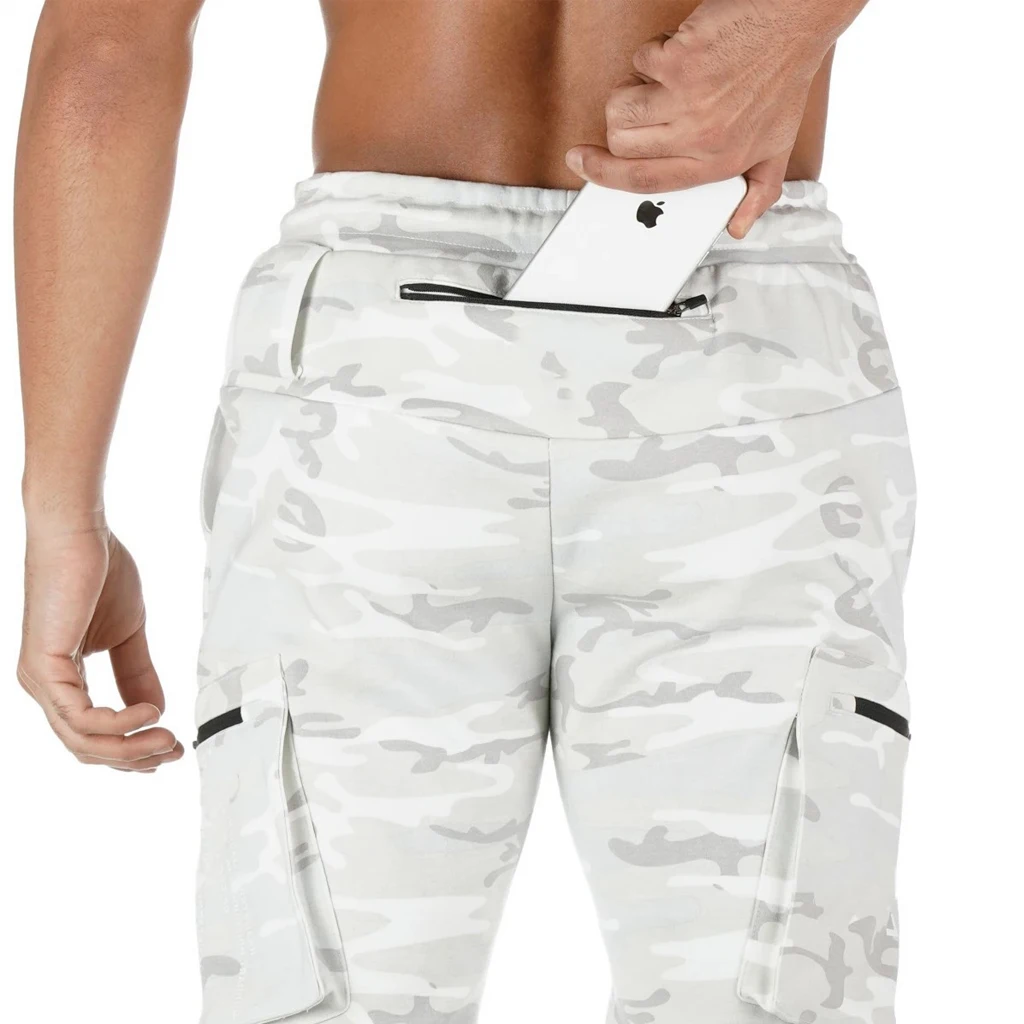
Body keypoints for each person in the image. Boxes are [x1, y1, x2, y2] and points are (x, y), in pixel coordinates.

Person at [14, 2, 915, 1023]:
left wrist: (64, 506)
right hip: (739, 354)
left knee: (323, 1001)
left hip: (379, 381)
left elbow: (107, 43)